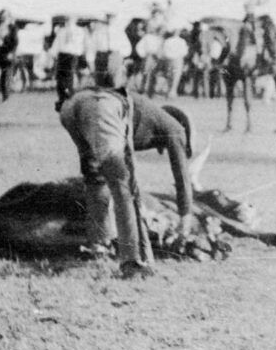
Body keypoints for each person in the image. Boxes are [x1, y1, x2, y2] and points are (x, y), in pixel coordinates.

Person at [59, 74, 195, 278]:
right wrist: (186, 215)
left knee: (96, 177)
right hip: (102, 107)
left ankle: (99, 243)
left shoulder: (150, 116)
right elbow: (181, 175)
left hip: (72, 106)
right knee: (124, 187)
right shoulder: (175, 130)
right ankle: (132, 261)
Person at [50, 15, 88, 111]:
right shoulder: (62, 31)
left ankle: (68, 99)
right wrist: (53, 54)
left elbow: (82, 45)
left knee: (68, 78)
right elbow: (57, 43)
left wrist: (82, 56)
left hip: (72, 55)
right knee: (60, 78)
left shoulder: (80, 31)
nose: (68, 22)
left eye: (70, 20)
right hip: (62, 55)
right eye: (67, 20)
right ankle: (62, 99)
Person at [88, 12, 133, 89]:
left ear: (115, 19)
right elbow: (91, 47)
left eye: (112, 17)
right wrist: (90, 61)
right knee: (100, 83)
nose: (110, 19)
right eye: (108, 17)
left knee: (114, 83)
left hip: (115, 57)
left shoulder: (119, 31)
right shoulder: (99, 31)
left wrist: (118, 56)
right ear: (106, 18)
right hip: (101, 57)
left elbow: (127, 48)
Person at [0, 9, 18, 101]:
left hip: (7, 53)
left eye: (5, 15)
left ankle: (5, 97)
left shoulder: (12, 27)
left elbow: (15, 42)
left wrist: (11, 53)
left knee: (5, 77)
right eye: (2, 15)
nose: (3, 17)